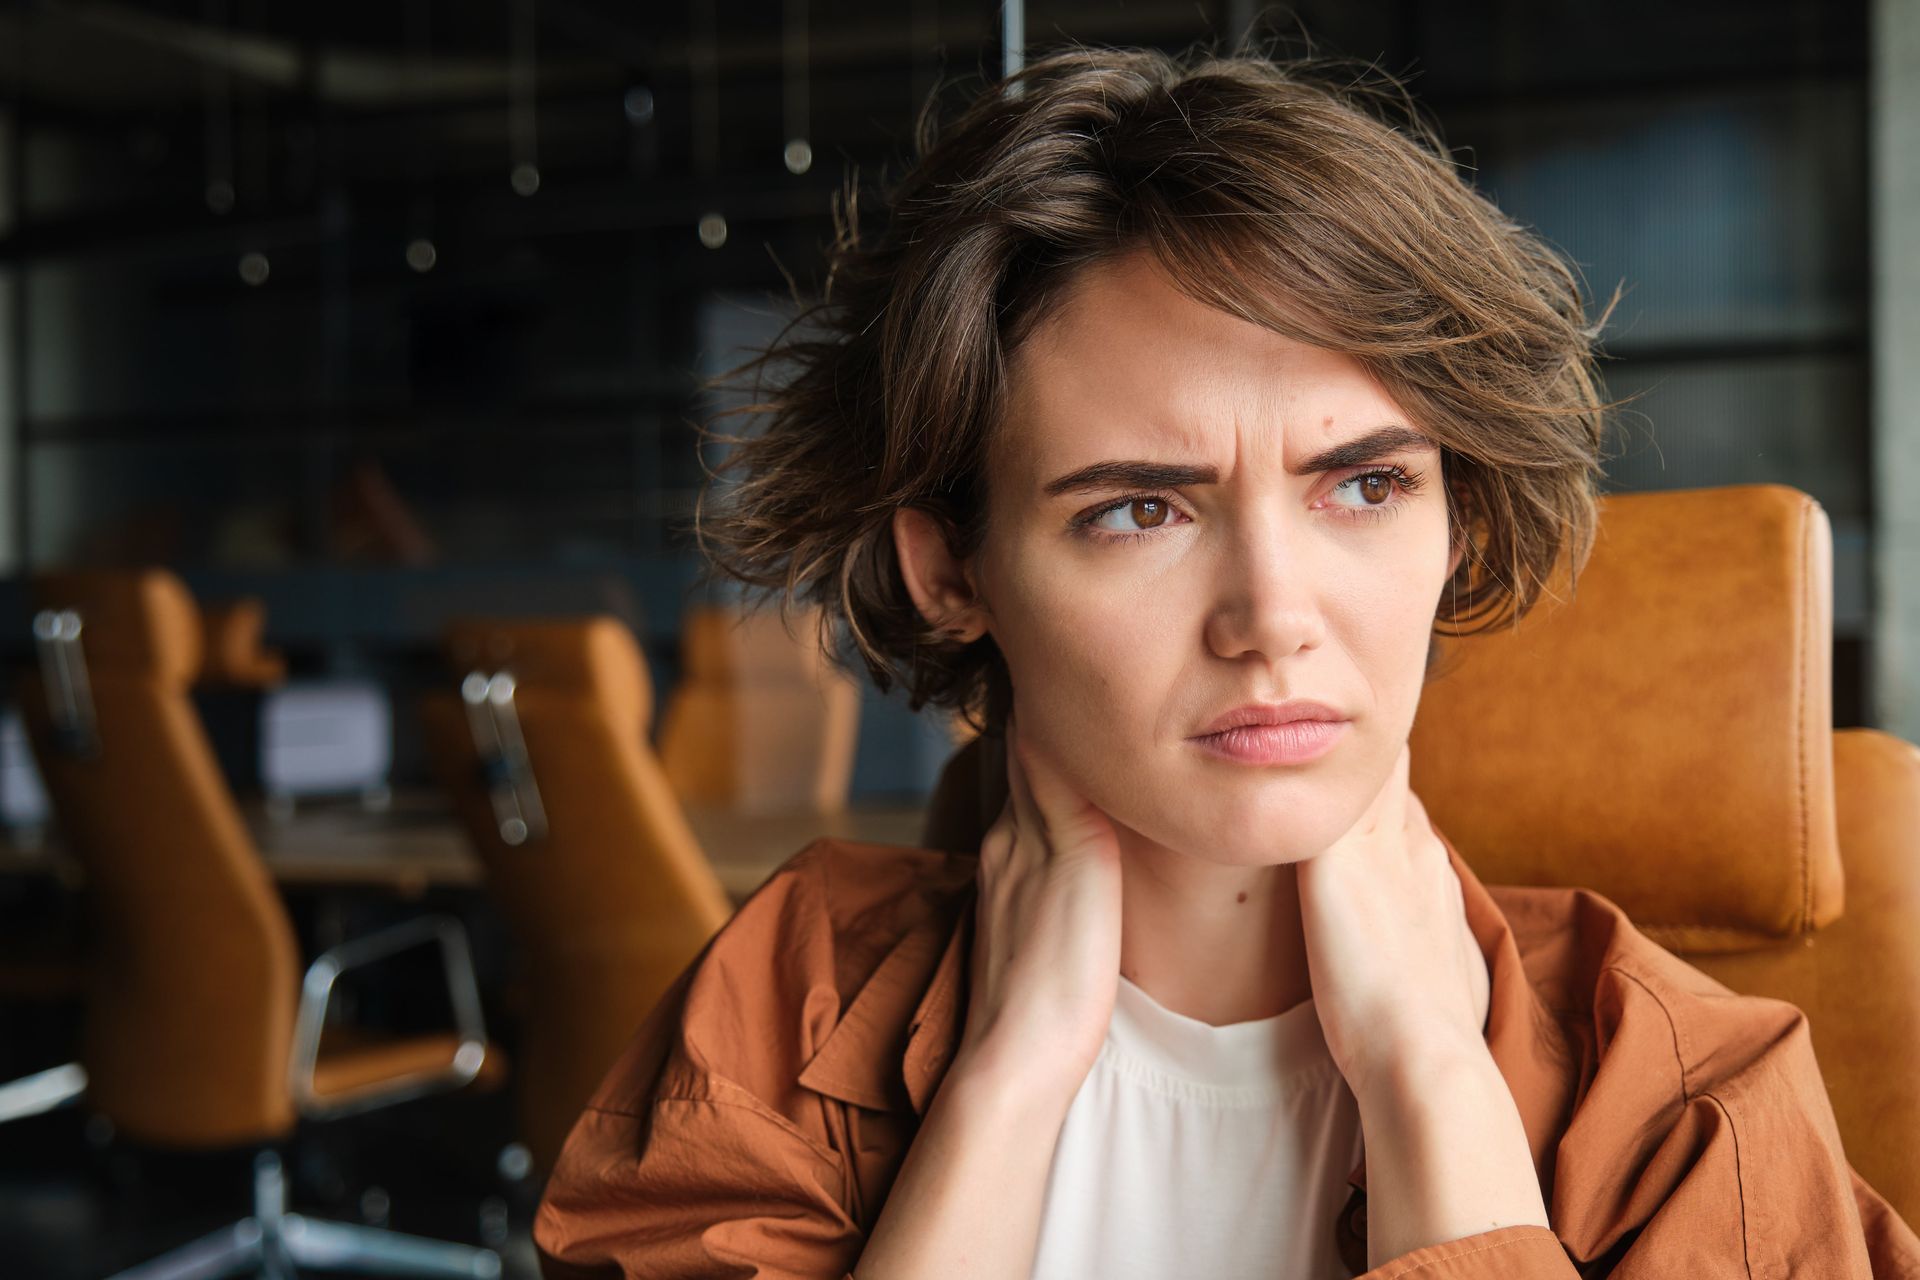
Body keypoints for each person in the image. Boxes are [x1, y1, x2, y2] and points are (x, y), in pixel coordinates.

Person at [532, 47, 1920, 1278]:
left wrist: (1433, 1084)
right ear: (951, 570)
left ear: (1454, 525)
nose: (1273, 616)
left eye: (1363, 487)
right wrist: (1002, 1094)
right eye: (1140, 509)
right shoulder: (790, 1001)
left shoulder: (1692, 1105)